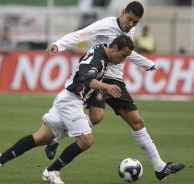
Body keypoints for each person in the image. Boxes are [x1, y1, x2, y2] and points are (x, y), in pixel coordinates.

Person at [45, 1, 185, 181]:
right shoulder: (106, 24)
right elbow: (83, 34)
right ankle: (54, 144)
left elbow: (128, 53)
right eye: (129, 19)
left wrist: (149, 65)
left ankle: (160, 167)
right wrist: (59, 44)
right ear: (123, 12)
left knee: (132, 121)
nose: (131, 24)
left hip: (116, 81)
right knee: (99, 118)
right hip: (100, 79)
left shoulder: (130, 31)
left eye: (135, 22)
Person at [0, 35, 134, 184]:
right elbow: (86, 79)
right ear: (114, 49)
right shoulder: (98, 58)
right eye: (123, 56)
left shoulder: (103, 54)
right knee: (86, 141)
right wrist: (107, 87)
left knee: (41, 137)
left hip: (68, 98)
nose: (123, 60)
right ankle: (52, 171)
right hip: (71, 101)